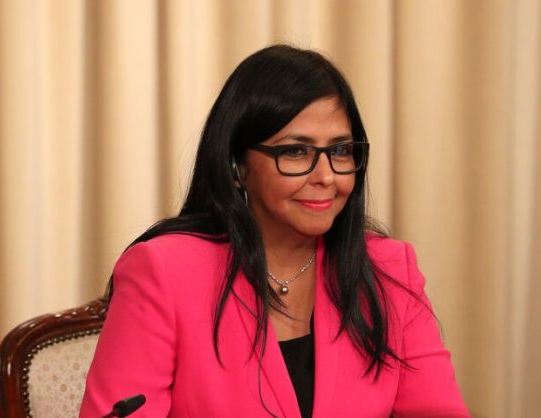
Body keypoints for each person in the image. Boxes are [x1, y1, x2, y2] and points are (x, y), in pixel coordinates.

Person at [79, 45, 469, 418]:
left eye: (340, 150)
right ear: (237, 167)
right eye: (295, 151)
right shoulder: (164, 272)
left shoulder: (389, 269)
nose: (326, 176)